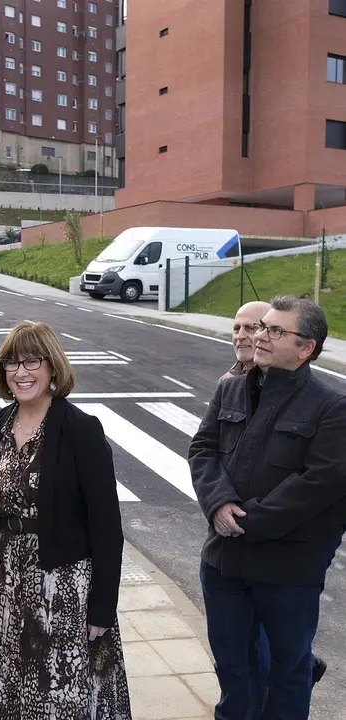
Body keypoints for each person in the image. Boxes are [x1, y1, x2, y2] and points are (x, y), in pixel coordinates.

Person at [190, 296, 346, 720]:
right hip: (224, 563)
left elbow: (321, 483)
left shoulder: (332, 408)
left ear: (305, 348)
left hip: (287, 572)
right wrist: (219, 503)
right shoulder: (231, 388)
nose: (259, 336)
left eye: (275, 331)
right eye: (263, 327)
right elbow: (203, 449)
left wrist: (247, 521)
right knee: (233, 668)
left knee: (289, 671)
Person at [0, 320, 131, 720]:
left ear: (53, 367)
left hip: (63, 588)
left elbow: (107, 527)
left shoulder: (81, 429)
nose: (20, 372)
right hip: (5, 580)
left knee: (60, 695)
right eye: (11, 363)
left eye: (31, 362)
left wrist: (102, 607)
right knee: (5, 689)